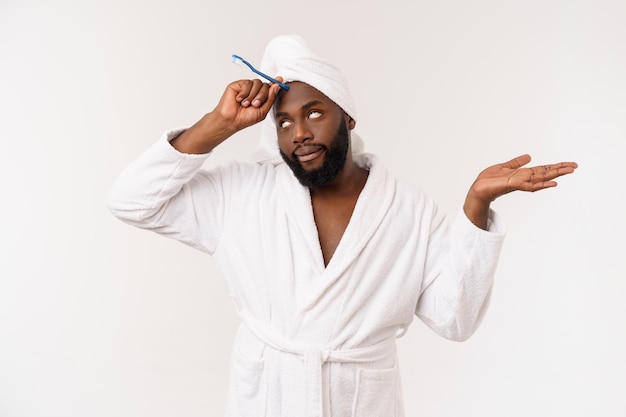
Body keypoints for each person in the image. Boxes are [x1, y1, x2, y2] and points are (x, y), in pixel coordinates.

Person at [107, 35, 577, 417]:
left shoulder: (406, 211)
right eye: (284, 122)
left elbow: (455, 319)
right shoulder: (243, 194)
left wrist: (476, 205)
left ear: (347, 115)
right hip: (268, 400)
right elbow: (131, 202)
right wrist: (217, 125)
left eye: (315, 112)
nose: (300, 133)